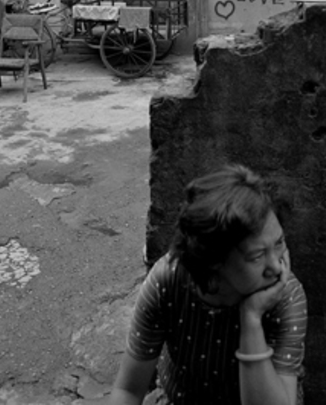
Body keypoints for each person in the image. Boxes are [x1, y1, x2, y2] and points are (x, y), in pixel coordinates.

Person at [93, 164, 307, 405]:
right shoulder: (168, 282)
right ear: (215, 261)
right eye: (257, 256)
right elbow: (128, 391)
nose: (277, 267)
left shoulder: (285, 296)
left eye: (279, 243)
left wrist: (251, 319)